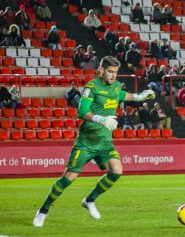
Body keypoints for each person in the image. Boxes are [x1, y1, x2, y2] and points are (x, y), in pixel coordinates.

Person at [33, 56, 155, 227]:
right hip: (86, 141)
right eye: (110, 72)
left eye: (116, 73)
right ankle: (43, 210)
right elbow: (82, 111)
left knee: (116, 171)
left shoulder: (116, 86)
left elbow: (120, 94)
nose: (113, 76)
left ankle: (89, 200)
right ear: (101, 70)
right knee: (69, 177)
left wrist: (139, 97)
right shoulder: (92, 87)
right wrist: (101, 119)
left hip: (104, 141)